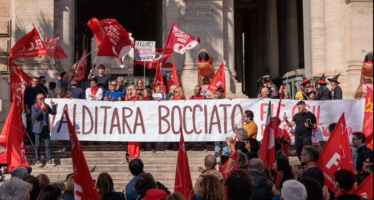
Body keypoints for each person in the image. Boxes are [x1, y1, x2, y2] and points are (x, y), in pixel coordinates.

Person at [32, 94, 57, 167]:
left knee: (48, 145)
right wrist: (41, 109)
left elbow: (53, 113)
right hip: (38, 129)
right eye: (41, 98)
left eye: (43, 98)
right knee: (37, 145)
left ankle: (49, 160)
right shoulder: (34, 106)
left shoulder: (46, 106)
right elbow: (36, 117)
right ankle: (37, 160)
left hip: (45, 128)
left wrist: (53, 106)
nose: (42, 100)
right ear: (37, 99)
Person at [24, 77, 41, 143]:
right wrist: (27, 108)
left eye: (37, 81)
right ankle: (30, 139)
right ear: (31, 81)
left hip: (37, 108)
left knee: (36, 124)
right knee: (30, 124)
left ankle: (35, 139)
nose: (36, 83)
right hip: (30, 108)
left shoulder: (38, 89)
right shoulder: (28, 89)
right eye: (34, 81)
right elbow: (25, 99)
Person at [141, 88, 156, 152]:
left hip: (151, 119)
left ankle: (153, 147)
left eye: (146, 92)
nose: (144, 93)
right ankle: (143, 147)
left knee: (151, 134)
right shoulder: (141, 100)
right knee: (143, 134)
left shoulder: (152, 101)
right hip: (143, 119)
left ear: (148, 93)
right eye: (143, 92)